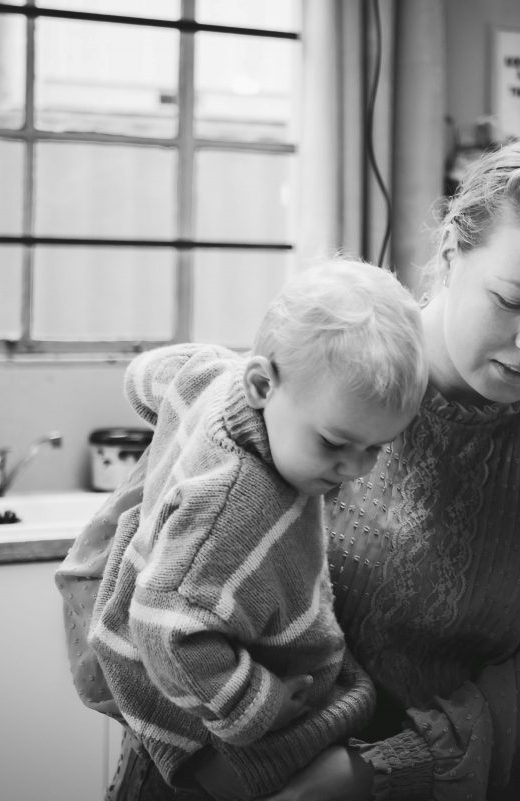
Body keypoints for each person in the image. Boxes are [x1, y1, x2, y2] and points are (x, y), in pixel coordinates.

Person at [263, 132, 520, 801]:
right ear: (450, 253)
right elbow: (151, 580)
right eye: (509, 300)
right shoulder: (321, 363)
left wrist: (367, 774)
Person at [56, 258, 428, 800]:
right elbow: (164, 628)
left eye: (375, 447)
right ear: (261, 384)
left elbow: (150, 378)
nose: (356, 469)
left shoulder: (214, 374)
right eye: (333, 443)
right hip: (209, 724)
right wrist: (260, 704)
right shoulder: (236, 505)